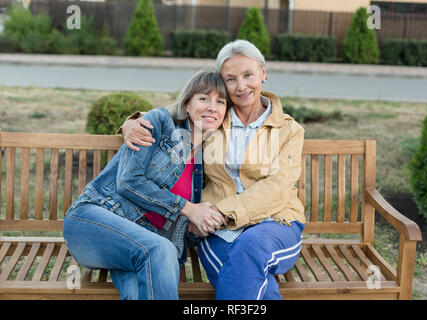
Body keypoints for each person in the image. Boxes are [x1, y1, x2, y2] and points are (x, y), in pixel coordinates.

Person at [120, 40, 306, 300]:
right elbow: (172, 116)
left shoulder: (289, 130)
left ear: (263, 73)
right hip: (215, 229)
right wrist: (131, 123)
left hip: (273, 222)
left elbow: (278, 187)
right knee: (251, 281)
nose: (241, 86)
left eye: (248, 75)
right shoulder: (214, 118)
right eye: (231, 79)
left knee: (248, 249)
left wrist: (221, 212)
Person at [63, 70, 229, 300]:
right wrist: (189, 209)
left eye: (220, 102)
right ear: (187, 104)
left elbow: (177, 226)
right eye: (204, 98)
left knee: (136, 293)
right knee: (161, 249)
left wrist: (194, 226)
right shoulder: (159, 123)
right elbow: (128, 182)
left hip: (137, 246)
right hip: (93, 219)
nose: (212, 107)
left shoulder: (201, 166)